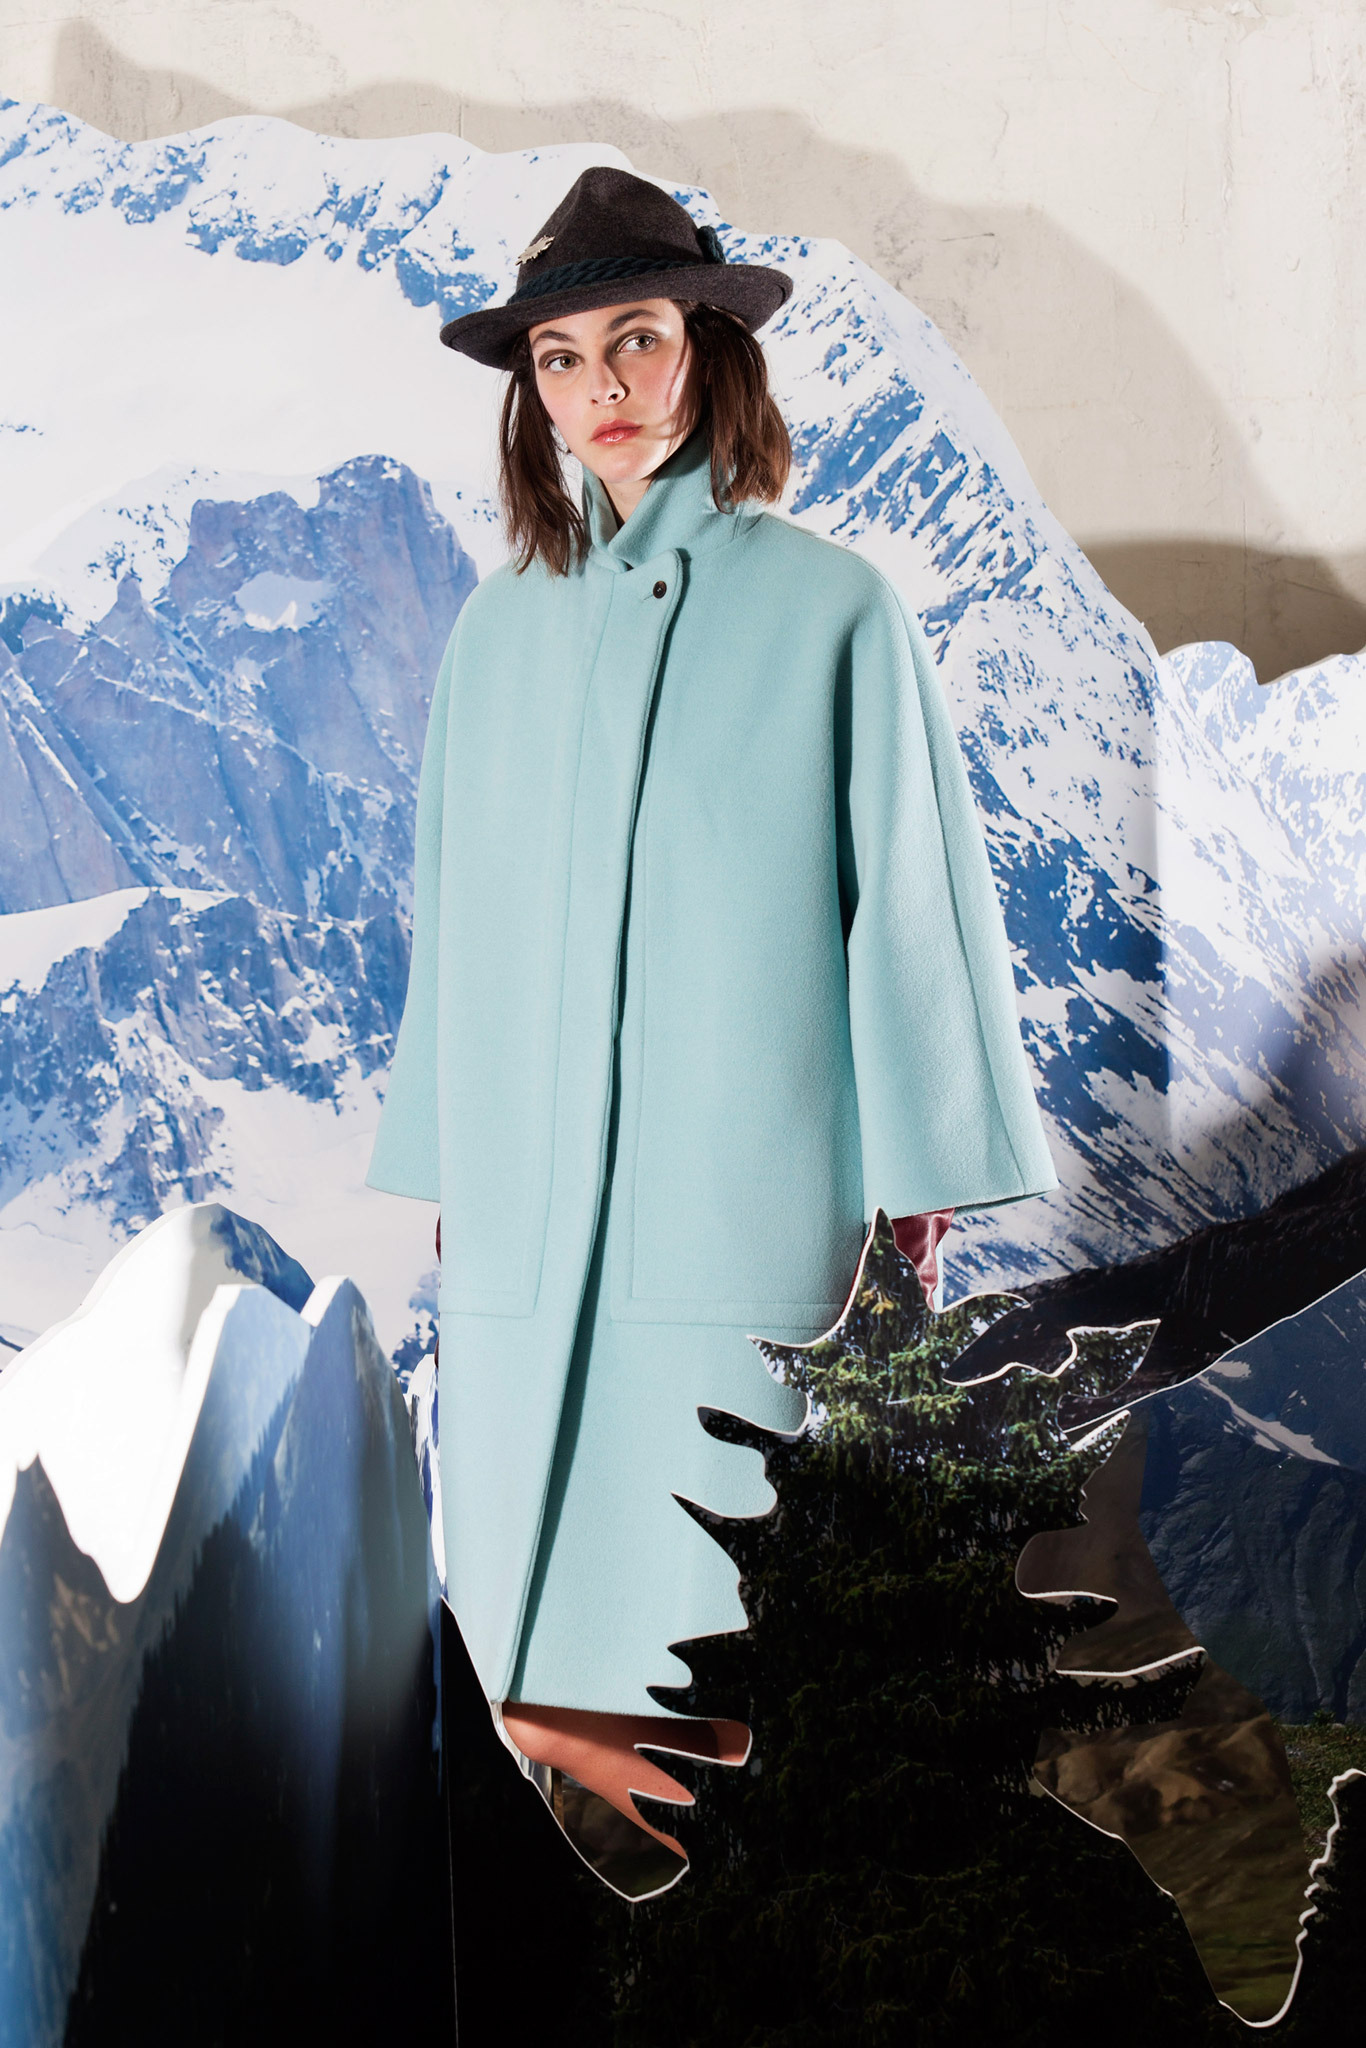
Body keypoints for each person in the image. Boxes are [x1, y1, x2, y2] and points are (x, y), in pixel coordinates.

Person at [367, 166, 1057, 1885]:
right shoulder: (495, 638)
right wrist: (454, 1160)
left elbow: (908, 904)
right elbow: (455, 921)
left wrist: (918, 1177)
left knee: (717, 1622)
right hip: (525, 1221)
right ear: (529, 396)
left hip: (742, 1198)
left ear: (708, 354)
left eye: (635, 340)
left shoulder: (831, 610)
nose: (598, 388)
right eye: (558, 359)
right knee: (519, 1627)